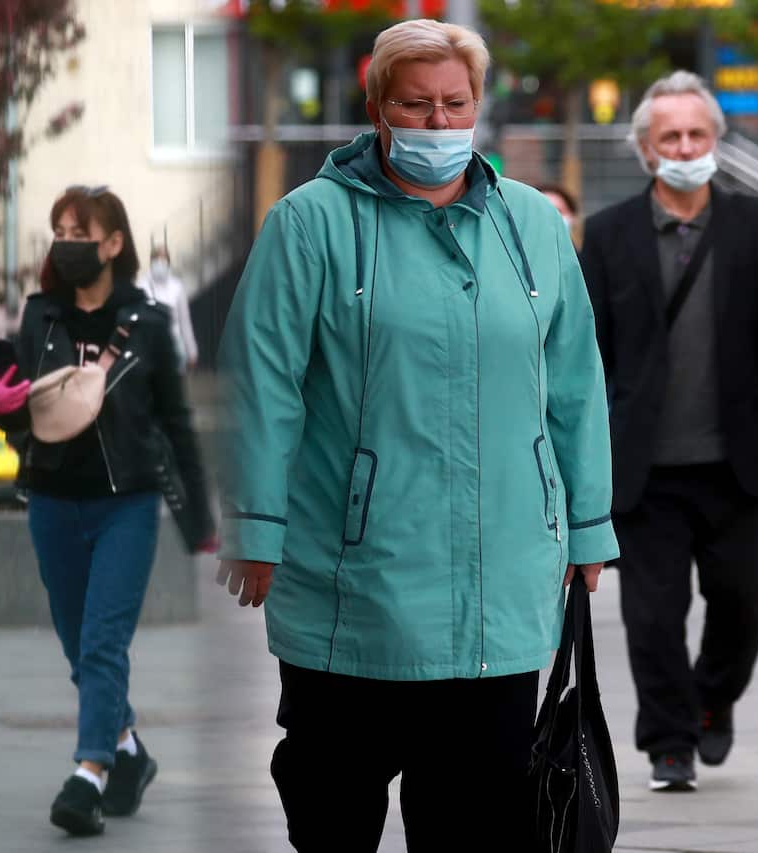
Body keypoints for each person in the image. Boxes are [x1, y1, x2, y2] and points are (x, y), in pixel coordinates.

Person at [215, 19, 618, 852]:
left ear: (479, 106)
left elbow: (575, 385)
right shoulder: (308, 224)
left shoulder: (533, 225)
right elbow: (262, 384)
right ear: (378, 106)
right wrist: (254, 528)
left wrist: (587, 527)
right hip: (352, 587)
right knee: (332, 815)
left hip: (498, 596)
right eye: (417, 104)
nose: (438, 123)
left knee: (475, 825)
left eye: (455, 104)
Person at [579, 70, 758, 792]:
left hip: (737, 460)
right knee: (652, 618)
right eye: (670, 137)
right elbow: (588, 352)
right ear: (647, 151)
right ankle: (669, 742)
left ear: (715, 140)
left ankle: (713, 696)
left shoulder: (754, 223)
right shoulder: (610, 231)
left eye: (696, 134)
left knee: (745, 596)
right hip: (644, 470)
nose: (685, 146)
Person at [0, 185, 216, 837]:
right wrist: (0, 412)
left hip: (127, 503)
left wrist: (198, 515)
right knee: (76, 643)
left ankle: (88, 775)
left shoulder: (147, 323)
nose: (66, 240)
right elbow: (21, 413)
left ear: (113, 244)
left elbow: (175, 420)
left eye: (80, 230)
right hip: (54, 500)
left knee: (102, 639)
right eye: (59, 228)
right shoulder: (40, 317)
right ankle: (129, 750)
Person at [135, 243, 198, 372]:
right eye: (157, 259)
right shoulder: (141, 286)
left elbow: (184, 321)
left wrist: (192, 351)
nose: (160, 263)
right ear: (151, 261)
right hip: (148, 349)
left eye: (163, 259)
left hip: (173, 348)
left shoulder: (177, 287)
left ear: (168, 262)